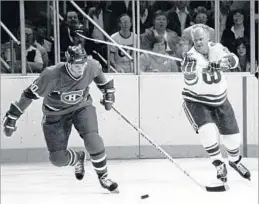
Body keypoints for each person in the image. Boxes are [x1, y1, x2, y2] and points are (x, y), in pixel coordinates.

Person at [2, 44, 119, 193]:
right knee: (57, 159)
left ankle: (104, 177)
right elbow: (28, 95)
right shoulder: (51, 75)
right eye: (77, 65)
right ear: (68, 62)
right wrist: (12, 116)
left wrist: (109, 95)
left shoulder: (91, 65)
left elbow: (103, 82)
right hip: (54, 114)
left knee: (93, 139)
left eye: (83, 63)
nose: (81, 68)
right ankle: (78, 158)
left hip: (81, 107)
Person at [180, 25, 251, 183]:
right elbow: (190, 82)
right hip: (197, 100)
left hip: (220, 99)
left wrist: (225, 63)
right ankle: (219, 164)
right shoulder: (191, 57)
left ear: (208, 39)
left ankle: (235, 161)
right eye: (195, 40)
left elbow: (234, 60)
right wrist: (189, 71)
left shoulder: (217, 48)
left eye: (201, 39)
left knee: (233, 138)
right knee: (207, 131)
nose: (198, 42)